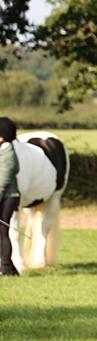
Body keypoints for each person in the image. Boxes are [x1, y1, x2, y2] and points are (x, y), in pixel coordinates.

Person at [0, 117, 20, 277]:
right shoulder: (3, 151)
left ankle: (6, 269)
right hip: (4, 196)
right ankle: (9, 267)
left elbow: (3, 182)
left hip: (8, 197)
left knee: (3, 231)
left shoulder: (8, 155)